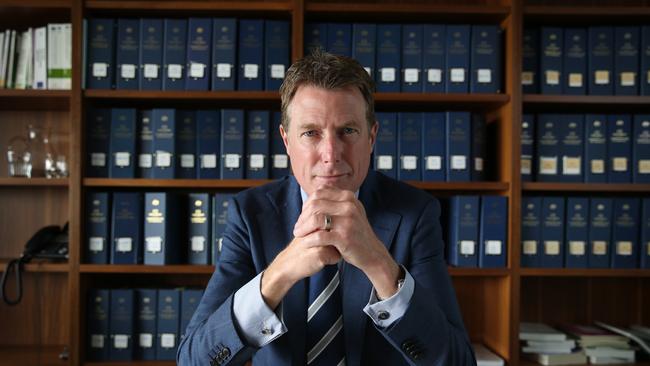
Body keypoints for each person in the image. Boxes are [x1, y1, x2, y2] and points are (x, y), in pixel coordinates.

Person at [178, 50, 475, 366]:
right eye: (310, 133)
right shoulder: (249, 214)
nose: (331, 154)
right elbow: (194, 360)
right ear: (287, 141)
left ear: (371, 137)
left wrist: (379, 264)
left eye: (348, 130)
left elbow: (457, 361)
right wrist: (279, 274)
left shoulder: (416, 213)